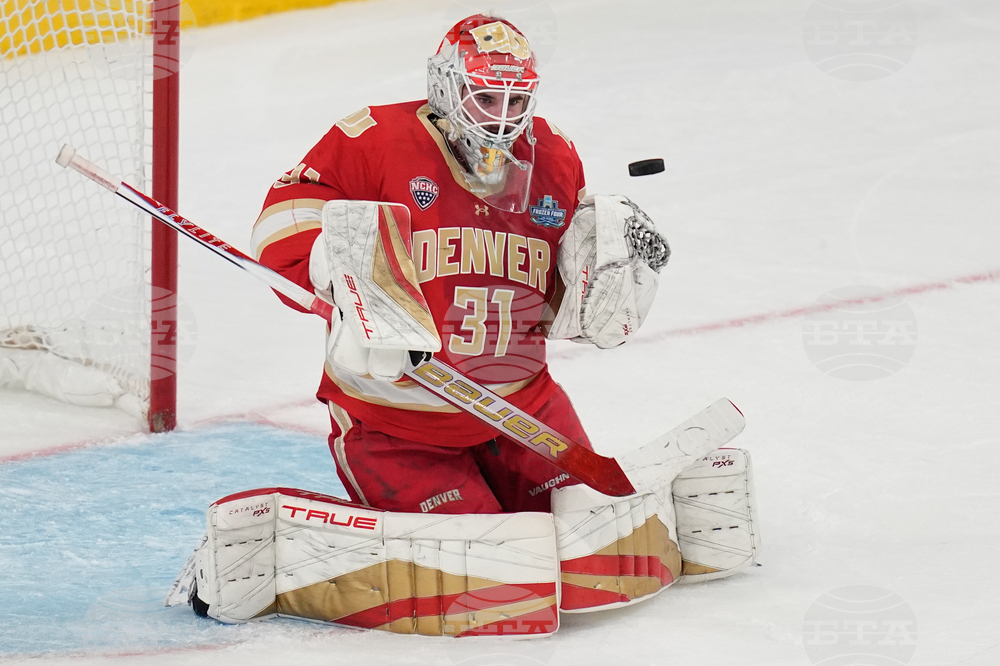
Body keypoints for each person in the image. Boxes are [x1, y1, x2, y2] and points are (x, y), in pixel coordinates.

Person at [251, 14, 666, 517]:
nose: (501, 119)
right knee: (494, 577)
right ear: (447, 87)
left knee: (596, 548)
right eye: (486, 99)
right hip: (398, 421)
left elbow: (550, 296)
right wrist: (339, 268)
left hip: (523, 409)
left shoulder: (553, 155)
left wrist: (597, 279)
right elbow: (282, 220)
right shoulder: (373, 139)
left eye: (515, 101)